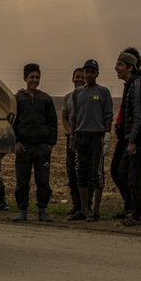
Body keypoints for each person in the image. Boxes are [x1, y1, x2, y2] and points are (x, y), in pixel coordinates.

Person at [115, 50, 141, 226]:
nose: (116, 68)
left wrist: (132, 141)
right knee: (123, 171)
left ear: (130, 67)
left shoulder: (137, 84)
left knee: (135, 176)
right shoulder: (131, 84)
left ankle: (138, 214)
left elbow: (138, 116)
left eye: (120, 65)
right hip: (137, 136)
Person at [12, 63, 58, 222]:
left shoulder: (45, 99)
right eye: (31, 77)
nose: (34, 80)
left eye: (37, 77)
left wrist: (50, 144)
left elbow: (53, 122)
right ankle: (22, 211)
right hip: (24, 148)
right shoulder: (17, 99)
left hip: (42, 148)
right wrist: (16, 142)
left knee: (43, 180)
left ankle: (42, 211)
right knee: (22, 181)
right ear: (25, 78)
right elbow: (12, 123)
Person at [68, 59, 113, 221]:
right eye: (87, 71)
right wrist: (72, 136)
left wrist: (107, 138)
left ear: (97, 74)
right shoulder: (77, 93)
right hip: (81, 136)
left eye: (92, 71)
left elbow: (108, 116)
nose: (89, 74)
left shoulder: (103, 92)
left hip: (97, 137)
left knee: (97, 173)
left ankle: (96, 210)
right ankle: (83, 209)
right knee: (81, 172)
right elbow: (73, 117)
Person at [60, 67, 86, 217]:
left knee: (84, 173)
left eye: (82, 77)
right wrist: (71, 132)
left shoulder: (91, 96)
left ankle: (85, 206)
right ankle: (76, 205)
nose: (79, 80)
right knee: (71, 172)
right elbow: (64, 117)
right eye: (77, 77)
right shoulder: (67, 97)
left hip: (86, 139)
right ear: (72, 78)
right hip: (71, 139)